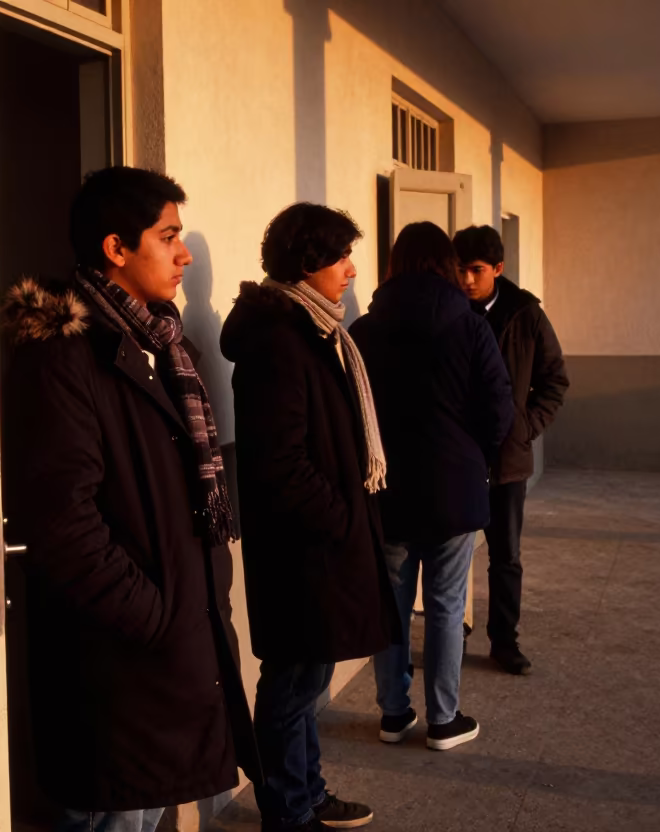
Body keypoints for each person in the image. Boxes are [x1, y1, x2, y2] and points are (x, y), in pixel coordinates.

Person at [1, 166, 256, 832]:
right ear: (116, 248)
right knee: (118, 818)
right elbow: (61, 524)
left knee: (142, 815)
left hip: (165, 656)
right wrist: (158, 617)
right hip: (118, 664)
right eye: (168, 236)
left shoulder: (159, 343)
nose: (185, 253)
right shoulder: (63, 356)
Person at [221, 202, 400, 831]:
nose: (351, 269)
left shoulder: (315, 330)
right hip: (305, 552)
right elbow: (281, 463)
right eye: (339, 256)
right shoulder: (281, 342)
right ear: (306, 264)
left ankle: (307, 794)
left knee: (305, 685)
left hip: (319, 547)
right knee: (292, 686)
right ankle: (288, 810)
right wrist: (342, 521)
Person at [348, 221, 513, 752]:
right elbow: (499, 409)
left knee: (392, 602)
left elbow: (351, 412)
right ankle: (444, 719)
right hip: (453, 490)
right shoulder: (470, 326)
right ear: (446, 264)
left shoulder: (366, 329)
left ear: (394, 265)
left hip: (388, 489)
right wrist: (476, 459)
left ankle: (393, 714)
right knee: (446, 604)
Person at [453, 225, 569, 676]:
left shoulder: (526, 314)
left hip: (508, 459)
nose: (466, 279)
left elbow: (555, 380)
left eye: (475, 270)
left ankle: (504, 641)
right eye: (459, 269)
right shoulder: (448, 313)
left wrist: (525, 429)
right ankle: (453, 634)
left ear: (497, 269)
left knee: (505, 555)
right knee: (452, 554)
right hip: (457, 458)